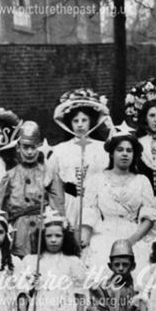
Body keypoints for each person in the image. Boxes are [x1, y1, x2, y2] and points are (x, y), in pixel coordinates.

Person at [15, 209, 93, 311]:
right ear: (42, 238)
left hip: (66, 308)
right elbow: (24, 292)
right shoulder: (33, 260)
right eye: (48, 236)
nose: (53, 240)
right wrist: (32, 284)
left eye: (58, 236)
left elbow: (80, 294)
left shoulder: (73, 261)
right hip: (41, 309)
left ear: (65, 237)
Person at [80, 123, 156, 281]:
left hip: (133, 235)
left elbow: (149, 217)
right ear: (111, 153)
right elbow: (90, 212)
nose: (125, 154)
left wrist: (131, 241)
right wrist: (83, 239)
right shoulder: (97, 180)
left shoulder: (142, 181)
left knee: (138, 280)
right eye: (120, 150)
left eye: (129, 151)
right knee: (101, 280)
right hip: (104, 235)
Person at [0, 121, 65, 257]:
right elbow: (1, 209)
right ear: (18, 147)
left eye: (33, 147)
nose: (29, 152)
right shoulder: (10, 176)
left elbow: (58, 205)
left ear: (39, 146)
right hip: (19, 230)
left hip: (42, 227)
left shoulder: (48, 173)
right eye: (26, 147)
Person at [47, 88, 111, 228]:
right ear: (70, 123)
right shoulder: (60, 150)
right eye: (76, 121)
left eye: (84, 120)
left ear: (91, 122)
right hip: (70, 201)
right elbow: (52, 182)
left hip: (96, 203)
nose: (80, 124)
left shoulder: (103, 149)